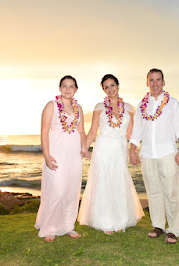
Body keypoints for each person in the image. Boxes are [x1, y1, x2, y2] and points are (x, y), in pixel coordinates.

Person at [78, 74, 144, 235]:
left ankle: (121, 219)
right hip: (103, 147)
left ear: (118, 86)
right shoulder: (99, 106)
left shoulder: (128, 108)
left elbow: (132, 133)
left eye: (112, 85)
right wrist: (84, 148)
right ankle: (105, 221)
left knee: (119, 181)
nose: (110, 89)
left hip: (120, 147)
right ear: (103, 89)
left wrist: (133, 151)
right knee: (103, 181)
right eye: (106, 87)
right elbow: (93, 130)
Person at [129, 68, 179, 244]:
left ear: (163, 82)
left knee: (171, 191)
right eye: (151, 80)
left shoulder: (173, 103)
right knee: (153, 191)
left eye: (158, 80)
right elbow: (137, 130)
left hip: (167, 152)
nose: (155, 83)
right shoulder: (141, 105)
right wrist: (132, 150)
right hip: (147, 153)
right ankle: (158, 225)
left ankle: (173, 230)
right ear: (147, 82)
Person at [35, 75, 88, 242]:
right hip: (56, 153)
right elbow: (44, 132)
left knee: (71, 191)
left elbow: (81, 131)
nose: (67, 89)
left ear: (76, 89)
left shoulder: (78, 108)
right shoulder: (51, 106)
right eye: (64, 86)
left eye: (71, 86)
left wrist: (84, 147)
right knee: (56, 189)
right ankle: (49, 227)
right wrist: (46, 155)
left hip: (73, 155)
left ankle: (68, 226)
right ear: (60, 88)